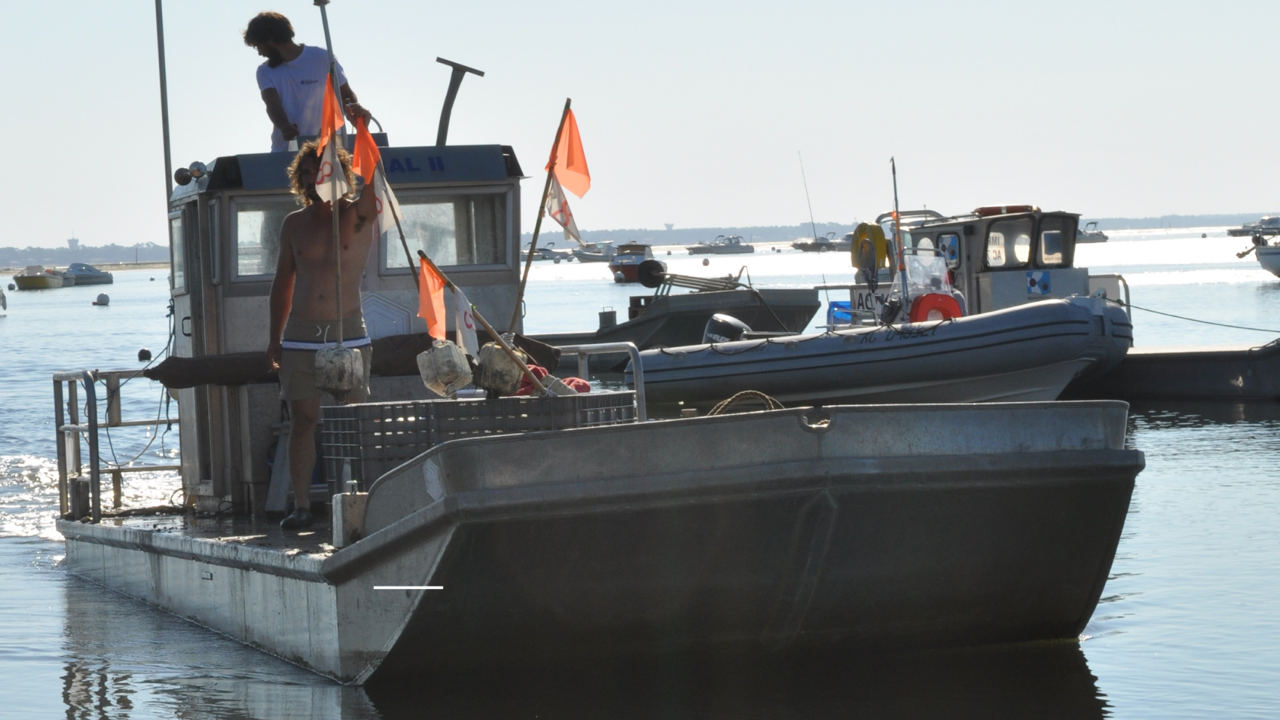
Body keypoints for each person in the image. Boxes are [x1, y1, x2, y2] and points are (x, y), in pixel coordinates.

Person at [267, 141, 379, 530]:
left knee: (352, 420)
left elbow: (377, 180)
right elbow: (282, 283)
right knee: (303, 420)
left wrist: (363, 127)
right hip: (299, 336)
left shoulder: (358, 214)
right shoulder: (294, 224)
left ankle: (359, 500)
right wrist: (273, 337)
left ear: (340, 175)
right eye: (311, 173)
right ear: (302, 179)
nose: (318, 179)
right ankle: (301, 506)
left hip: (349, 333)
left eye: (325, 172)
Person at [243, 12, 372, 152]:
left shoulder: (322, 57)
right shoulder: (265, 71)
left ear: (270, 39)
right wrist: (284, 126)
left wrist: (353, 108)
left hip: (330, 149)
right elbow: (272, 104)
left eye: (258, 46)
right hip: (287, 152)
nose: (259, 53)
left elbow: (345, 94)